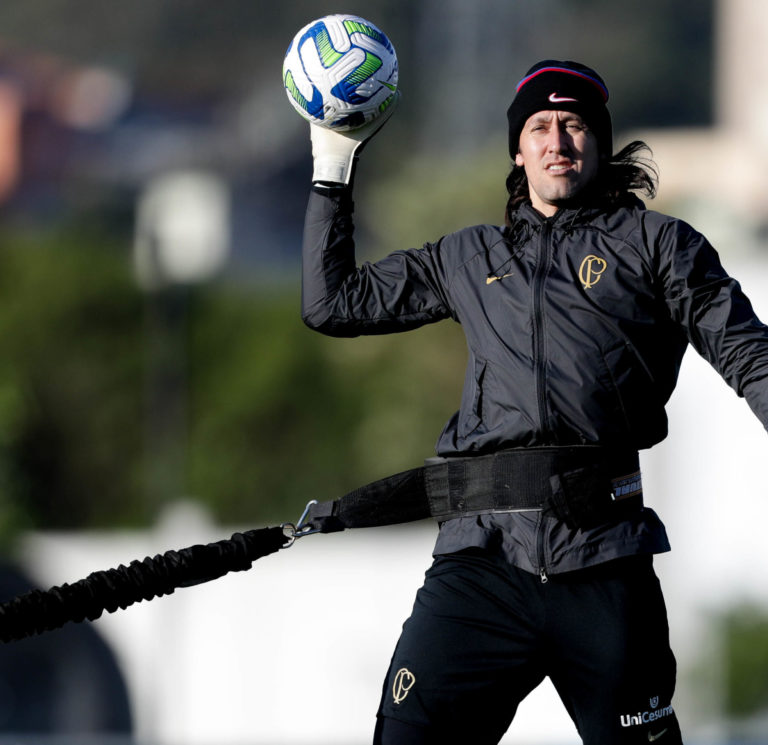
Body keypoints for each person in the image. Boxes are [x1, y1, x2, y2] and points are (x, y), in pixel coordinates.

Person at [299, 59, 768, 745]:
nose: (558, 141)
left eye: (575, 125)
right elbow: (331, 304)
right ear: (518, 150)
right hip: (481, 564)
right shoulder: (467, 256)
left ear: (600, 144)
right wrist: (332, 165)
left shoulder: (661, 246)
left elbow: (749, 353)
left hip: (603, 562)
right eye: (541, 127)